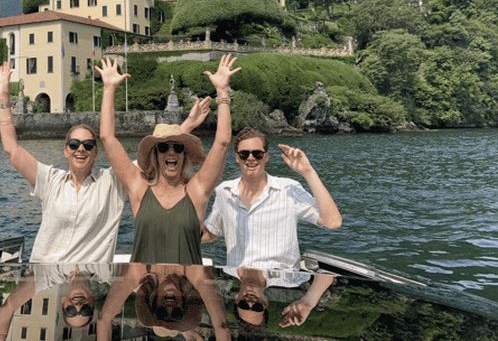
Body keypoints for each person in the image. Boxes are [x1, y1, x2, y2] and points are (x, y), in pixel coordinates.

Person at [0, 61, 212, 263]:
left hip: (89, 281)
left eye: (88, 145)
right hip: (45, 274)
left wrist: (187, 126)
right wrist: (3, 100)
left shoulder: (111, 184)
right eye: (74, 144)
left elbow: (158, 154)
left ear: (96, 152)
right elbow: (12, 150)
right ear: (66, 150)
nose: (81, 149)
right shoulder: (49, 180)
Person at [96, 54, 239, 265]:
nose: (171, 153)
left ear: (184, 154)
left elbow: (223, 143)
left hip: (188, 284)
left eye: (178, 148)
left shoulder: (197, 190)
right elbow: (107, 138)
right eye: (163, 147)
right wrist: (109, 89)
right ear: (155, 154)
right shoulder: (139, 187)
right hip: (145, 284)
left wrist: (222, 92)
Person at [203, 127, 342, 268]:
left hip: (281, 279)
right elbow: (211, 233)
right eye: (244, 154)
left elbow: (333, 222)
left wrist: (308, 172)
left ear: (266, 157)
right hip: (238, 278)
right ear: (237, 158)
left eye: (257, 154)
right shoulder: (224, 191)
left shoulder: (289, 189)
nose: (250, 158)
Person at [97, 263, 231, 341]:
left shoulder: (137, 273)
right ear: (184, 302)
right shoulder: (196, 275)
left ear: (153, 301)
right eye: (177, 314)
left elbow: (104, 319)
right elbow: (222, 326)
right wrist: (186, 331)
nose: (169, 308)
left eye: (161, 312)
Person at [228, 266, 335, 331]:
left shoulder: (227, 265)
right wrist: (308, 302)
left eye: (243, 305)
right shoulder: (290, 278)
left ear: (236, 298)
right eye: (257, 307)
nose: (250, 303)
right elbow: (327, 269)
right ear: (265, 303)